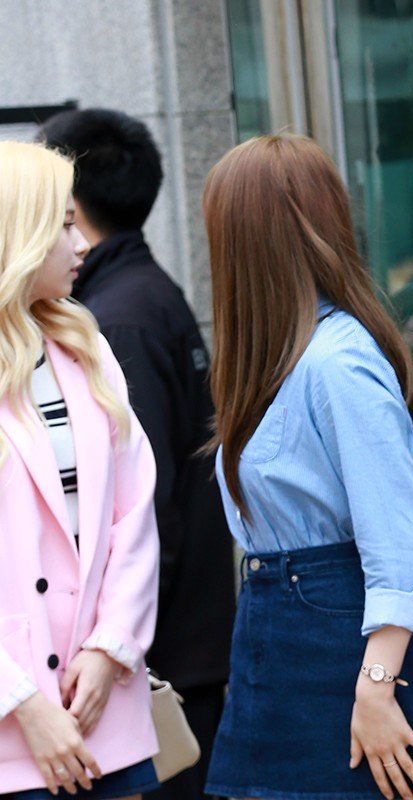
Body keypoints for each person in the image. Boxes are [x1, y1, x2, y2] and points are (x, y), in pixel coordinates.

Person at [199, 134, 413, 800]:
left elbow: (400, 548)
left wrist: (375, 689)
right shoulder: (280, 359)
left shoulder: (336, 362)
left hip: (343, 643)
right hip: (280, 635)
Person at [37, 108, 236, 800]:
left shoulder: (114, 322)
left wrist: (114, 645)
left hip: (151, 661)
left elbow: (140, 509)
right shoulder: (146, 293)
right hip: (170, 647)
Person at [0, 141, 160, 799]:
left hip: (101, 709)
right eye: (62, 224)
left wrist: (109, 648)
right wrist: (20, 700)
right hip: (13, 731)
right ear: (19, 232)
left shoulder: (83, 345)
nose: (81, 243)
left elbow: (134, 512)